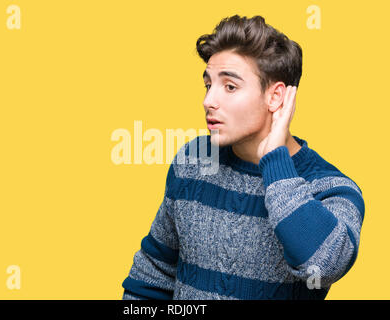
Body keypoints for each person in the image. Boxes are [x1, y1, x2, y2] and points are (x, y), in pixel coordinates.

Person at [121, 14, 365, 300]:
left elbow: (323, 266)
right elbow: (154, 272)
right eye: (208, 85)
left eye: (230, 87)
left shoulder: (331, 188)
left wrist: (275, 162)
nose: (208, 100)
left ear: (276, 97)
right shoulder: (194, 161)